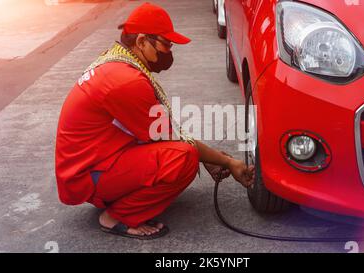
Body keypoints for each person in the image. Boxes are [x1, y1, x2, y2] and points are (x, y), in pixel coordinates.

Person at [55, 2, 254, 239]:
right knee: (183, 158)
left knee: (182, 150)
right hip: (87, 177)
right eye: (166, 45)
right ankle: (117, 216)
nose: (169, 52)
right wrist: (227, 161)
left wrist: (211, 159)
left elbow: (161, 131)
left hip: (95, 163)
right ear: (141, 42)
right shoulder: (126, 81)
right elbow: (172, 138)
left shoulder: (117, 62)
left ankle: (116, 196)